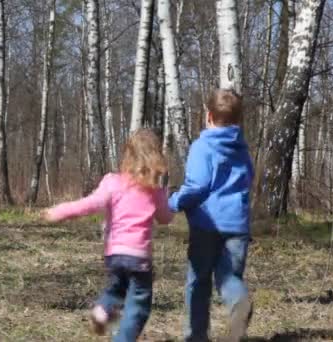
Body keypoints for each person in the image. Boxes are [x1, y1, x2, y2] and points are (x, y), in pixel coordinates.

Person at [42, 129, 173, 341]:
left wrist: (59, 212)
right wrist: (170, 203)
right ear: (156, 158)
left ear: (127, 156)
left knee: (116, 289)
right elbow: (165, 218)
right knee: (138, 305)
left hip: (114, 254)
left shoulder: (112, 182)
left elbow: (89, 204)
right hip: (139, 257)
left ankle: (101, 311)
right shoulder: (154, 190)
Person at [169, 89, 254, 341]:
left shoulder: (202, 146)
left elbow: (197, 186)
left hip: (207, 224)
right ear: (238, 120)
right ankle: (239, 302)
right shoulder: (242, 148)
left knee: (198, 281)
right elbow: (248, 178)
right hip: (237, 223)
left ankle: (196, 336)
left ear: (208, 116)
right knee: (229, 277)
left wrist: (173, 203)